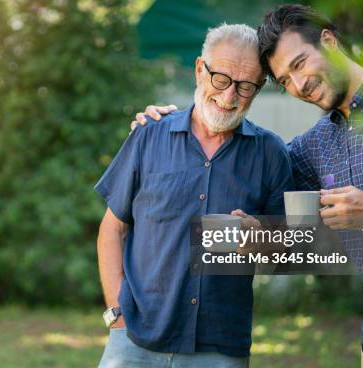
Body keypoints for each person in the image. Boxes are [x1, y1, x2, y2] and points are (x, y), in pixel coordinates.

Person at [134, 5, 363, 367]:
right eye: (284, 81)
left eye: (299, 64)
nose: (298, 86)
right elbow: (246, 164)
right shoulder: (317, 144)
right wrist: (179, 124)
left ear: (328, 41)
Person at [95, 23, 293, 367]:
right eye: (221, 79)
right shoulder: (148, 135)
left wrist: (263, 240)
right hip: (134, 341)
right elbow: (113, 229)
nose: (229, 96)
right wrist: (117, 313)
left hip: (219, 348)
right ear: (200, 69)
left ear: (259, 88)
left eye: (245, 87)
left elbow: (291, 250)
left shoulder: (271, 154)